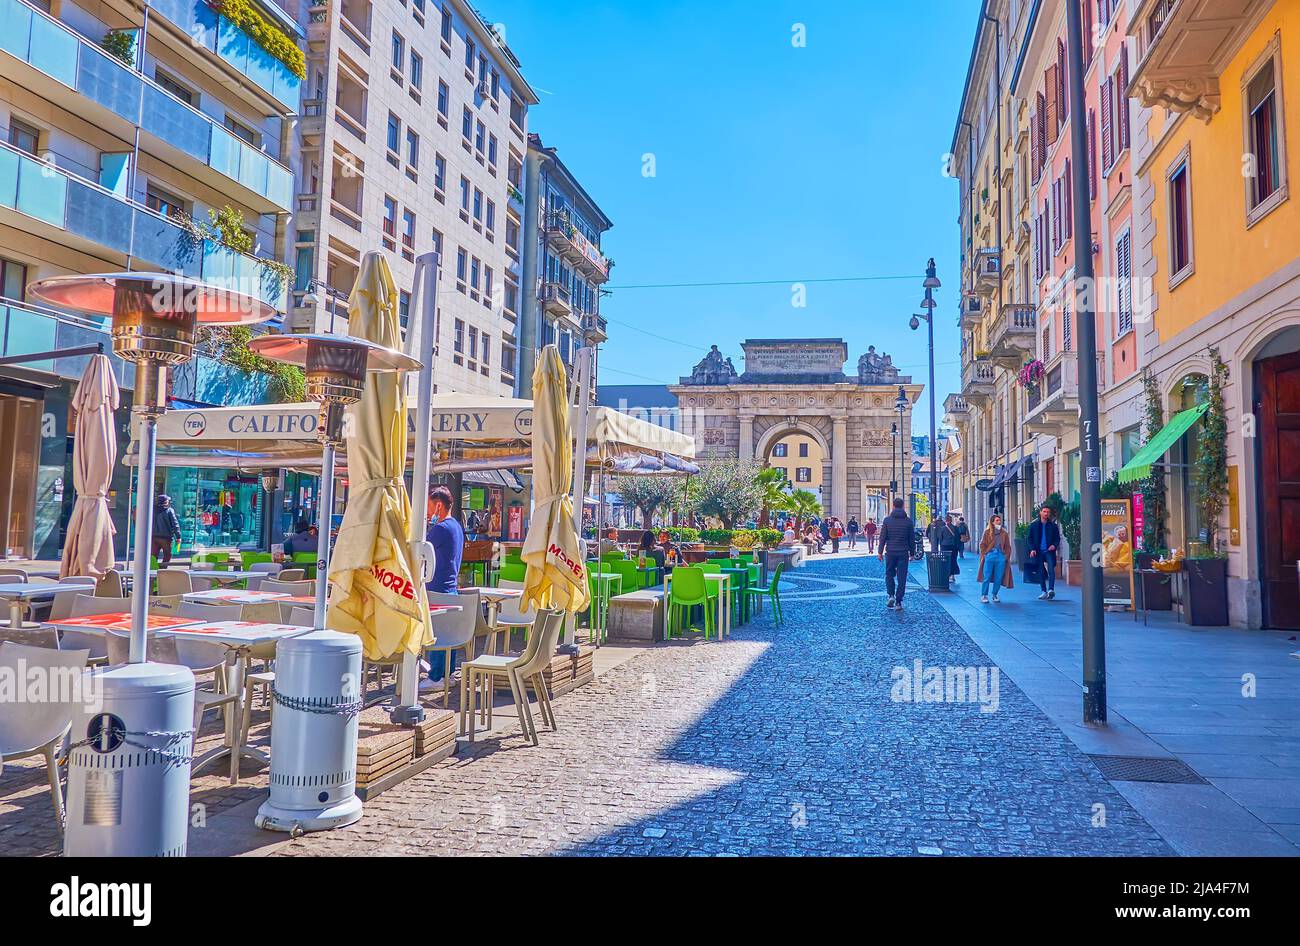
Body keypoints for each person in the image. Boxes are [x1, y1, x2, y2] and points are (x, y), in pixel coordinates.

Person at [425, 485, 464, 595]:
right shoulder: (456, 526)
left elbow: (420, 553)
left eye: (428, 505)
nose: (426, 510)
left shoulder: (441, 528)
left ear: (439, 506)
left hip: (437, 592)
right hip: (450, 590)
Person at [878, 498, 915, 611]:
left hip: (890, 552)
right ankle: (899, 602)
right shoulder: (908, 521)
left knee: (889, 574)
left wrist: (880, 552)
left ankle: (891, 595)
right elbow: (911, 540)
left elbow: (882, 537)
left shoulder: (887, 520)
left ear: (893, 506)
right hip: (903, 552)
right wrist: (912, 553)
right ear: (903, 506)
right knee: (902, 577)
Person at [977, 513, 1014, 603]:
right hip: (990, 555)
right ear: (992, 522)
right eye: (997, 520)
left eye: (999, 520)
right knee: (987, 576)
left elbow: (1008, 546)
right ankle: (984, 595)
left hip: (1000, 556)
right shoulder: (987, 532)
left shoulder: (1004, 533)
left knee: (999, 577)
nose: (999, 522)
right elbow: (982, 544)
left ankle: (994, 594)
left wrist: (1006, 556)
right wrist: (985, 554)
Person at [1027, 505, 1061, 600]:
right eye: (1044, 511)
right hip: (1038, 551)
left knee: (1051, 570)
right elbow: (1029, 539)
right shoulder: (1034, 525)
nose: (1046, 513)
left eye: (1048, 512)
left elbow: (1057, 538)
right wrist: (1032, 549)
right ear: (1040, 512)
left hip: (1049, 551)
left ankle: (1051, 590)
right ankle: (1043, 591)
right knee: (1041, 571)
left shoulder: (1053, 526)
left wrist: (1054, 545)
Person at [151, 494, 181, 566]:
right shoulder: (169, 510)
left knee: (153, 556)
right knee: (167, 555)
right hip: (166, 537)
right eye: (168, 500)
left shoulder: (151, 510)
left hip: (153, 537)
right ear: (165, 502)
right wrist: (178, 536)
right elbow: (175, 524)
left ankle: (152, 571)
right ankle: (162, 571)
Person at [941, 513, 962, 579]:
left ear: (945, 520)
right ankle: (952, 575)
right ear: (951, 520)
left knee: (946, 560)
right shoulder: (955, 528)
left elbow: (940, 537)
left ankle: (947, 574)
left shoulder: (943, 528)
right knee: (953, 560)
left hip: (945, 546)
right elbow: (958, 537)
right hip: (953, 546)